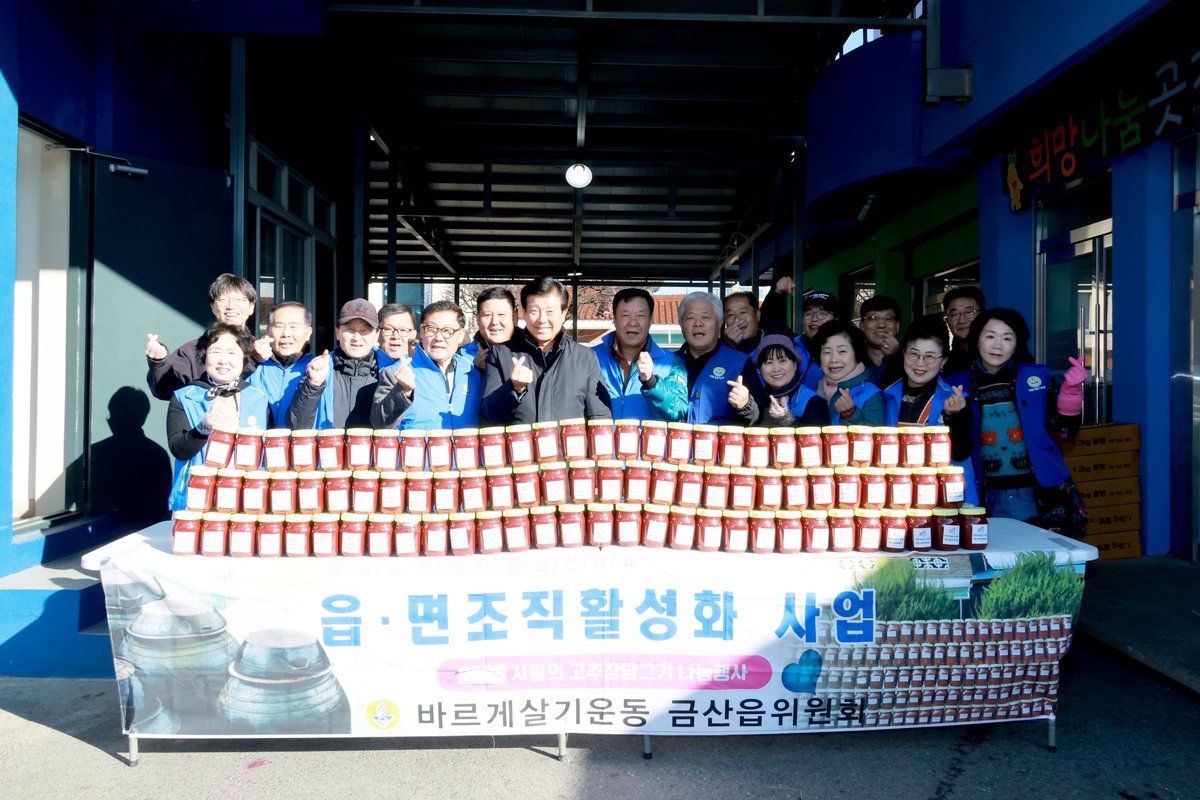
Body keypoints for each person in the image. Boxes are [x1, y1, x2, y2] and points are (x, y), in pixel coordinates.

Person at [946, 308, 1089, 534]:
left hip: (1038, 493)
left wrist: (1071, 394)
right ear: (977, 339)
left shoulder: (1037, 378)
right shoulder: (955, 385)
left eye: (1007, 338)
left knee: (1042, 554)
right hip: (981, 493)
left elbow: (1065, 433)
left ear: (1017, 344)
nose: (998, 345)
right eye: (990, 336)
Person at [166, 322, 268, 510]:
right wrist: (203, 428)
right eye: (215, 352)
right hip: (195, 501)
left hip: (246, 502)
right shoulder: (184, 397)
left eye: (232, 352)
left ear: (244, 357)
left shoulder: (259, 398)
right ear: (203, 356)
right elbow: (179, 450)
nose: (223, 360)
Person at [480, 277, 611, 423]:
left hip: (570, 439)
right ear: (524, 312)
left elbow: (600, 417)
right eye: (534, 311)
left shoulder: (585, 358)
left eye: (550, 311)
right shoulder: (500, 355)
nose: (542, 319)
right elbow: (489, 415)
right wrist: (514, 388)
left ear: (563, 313)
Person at [881, 315, 978, 504]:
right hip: (898, 498)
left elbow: (961, 453)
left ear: (944, 361)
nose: (920, 363)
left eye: (930, 356)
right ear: (903, 354)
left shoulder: (957, 400)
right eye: (913, 354)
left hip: (946, 500)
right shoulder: (886, 396)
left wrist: (954, 416)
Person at [642, 291, 766, 425]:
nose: (698, 323)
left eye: (705, 317)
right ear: (681, 324)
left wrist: (746, 405)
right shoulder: (666, 363)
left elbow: (760, 418)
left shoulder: (740, 363)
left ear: (720, 323)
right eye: (690, 318)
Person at [145, 273, 270, 401]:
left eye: (239, 300)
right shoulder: (191, 351)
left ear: (251, 307)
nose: (231, 306)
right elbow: (164, 391)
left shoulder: (265, 352)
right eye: (223, 299)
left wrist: (255, 359)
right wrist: (159, 362)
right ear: (213, 307)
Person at [372, 300, 481, 430]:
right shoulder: (397, 371)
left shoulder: (472, 372)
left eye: (447, 331)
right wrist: (403, 392)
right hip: (415, 444)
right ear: (422, 331)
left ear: (461, 335)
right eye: (431, 329)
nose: (438, 338)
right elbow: (378, 423)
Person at [287, 298, 395, 429]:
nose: (356, 337)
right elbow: (297, 426)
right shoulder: (319, 368)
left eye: (364, 331)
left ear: (376, 335)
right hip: (328, 442)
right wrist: (313, 385)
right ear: (338, 332)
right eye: (350, 330)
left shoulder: (390, 370)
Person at [593, 288, 674, 420]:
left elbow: (678, 411)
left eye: (640, 316)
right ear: (614, 319)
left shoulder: (672, 363)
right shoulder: (590, 358)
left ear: (651, 320)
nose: (633, 322)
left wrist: (651, 382)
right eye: (625, 315)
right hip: (602, 434)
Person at [248, 301, 314, 426]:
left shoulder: (318, 369)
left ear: (308, 333)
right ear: (268, 331)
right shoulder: (253, 367)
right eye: (279, 327)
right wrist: (252, 360)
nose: (286, 334)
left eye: (293, 327)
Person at [810, 319, 886, 425]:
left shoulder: (870, 394)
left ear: (857, 353)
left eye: (842, 351)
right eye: (827, 352)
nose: (834, 359)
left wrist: (851, 415)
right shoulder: (813, 390)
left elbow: (875, 433)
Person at [753, 334, 827, 426]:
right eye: (769, 362)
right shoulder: (755, 402)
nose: (776, 369)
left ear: (795, 364)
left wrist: (790, 420)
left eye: (782, 361)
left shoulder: (814, 402)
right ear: (760, 369)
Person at [461, 287, 518, 371]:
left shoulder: (532, 353)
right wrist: (475, 371)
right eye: (487, 315)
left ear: (515, 316)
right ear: (478, 319)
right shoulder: (461, 356)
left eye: (501, 314)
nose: (494, 322)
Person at [858, 294, 904, 387]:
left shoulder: (911, 359)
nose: (881, 325)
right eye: (873, 318)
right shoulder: (852, 358)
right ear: (862, 325)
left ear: (897, 326)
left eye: (888, 319)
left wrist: (896, 357)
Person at [942, 285, 985, 375]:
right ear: (947, 321)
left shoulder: (998, 354)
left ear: (983, 315)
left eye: (969, 312)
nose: (962, 320)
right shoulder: (942, 364)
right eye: (954, 314)